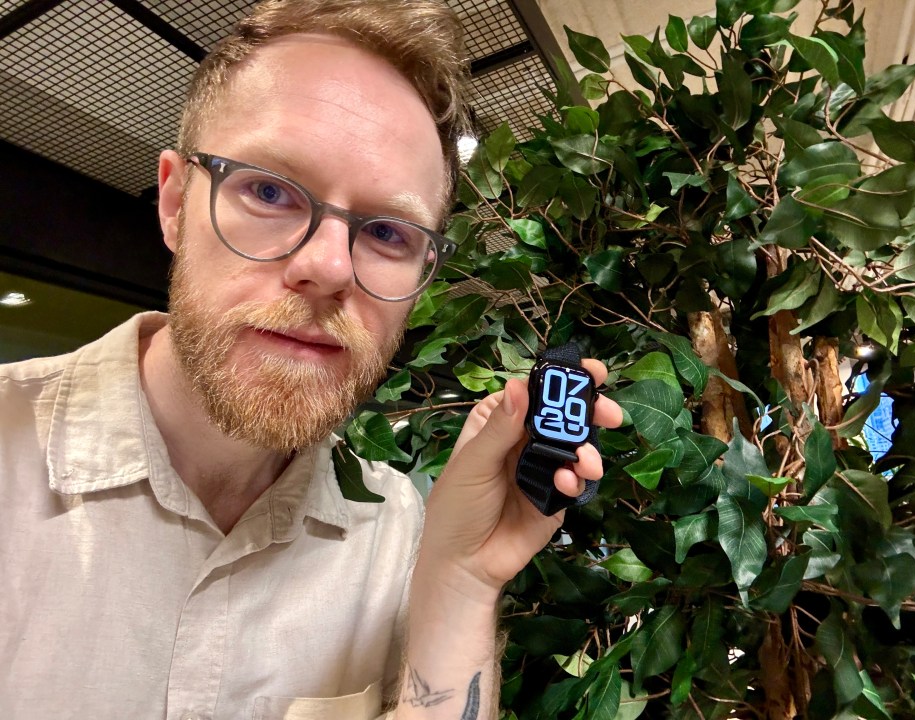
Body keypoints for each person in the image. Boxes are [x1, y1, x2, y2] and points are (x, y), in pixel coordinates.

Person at [0, 1, 623, 718]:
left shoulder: (391, 526)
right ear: (173, 202)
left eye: (388, 231)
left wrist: (462, 578)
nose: (328, 267)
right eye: (268, 190)